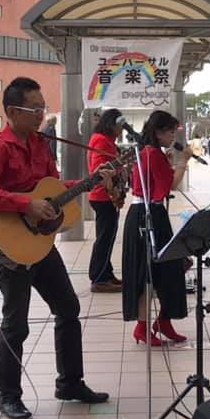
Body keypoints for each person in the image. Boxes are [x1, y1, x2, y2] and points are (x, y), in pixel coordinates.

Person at [0, 77, 111, 419]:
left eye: (42, 108)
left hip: (40, 243)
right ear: (11, 111)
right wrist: (26, 204)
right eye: (33, 109)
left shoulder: (40, 144)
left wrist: (91, 181)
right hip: (10, 245)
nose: (40, 115)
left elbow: (52, 187)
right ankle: (8, 395)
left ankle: (70, 383)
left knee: (68, 308)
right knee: (16, 323)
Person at [121, 110, 192, 347]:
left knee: (169, 269)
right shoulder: (152, 154)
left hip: (150, 213)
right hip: (147, 215)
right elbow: (171, 184)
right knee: (148, 273)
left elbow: (158, 181)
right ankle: (143, 326)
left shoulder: (150, 153)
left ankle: (163, 321)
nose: (173, 136)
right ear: (159, 132)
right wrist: (182, 162)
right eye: (170, 131)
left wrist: (169, 162)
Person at [87, 108, 125, 293]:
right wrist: (112, 184)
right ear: (112, 124)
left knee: (107, 237)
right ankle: (99, 278)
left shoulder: (105, 140)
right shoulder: (102, 141)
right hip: (103, 196)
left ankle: (106, 274)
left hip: (104, 195)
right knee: (104, 238)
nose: (122, 129)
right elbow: (99, 170)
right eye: (120, 125)